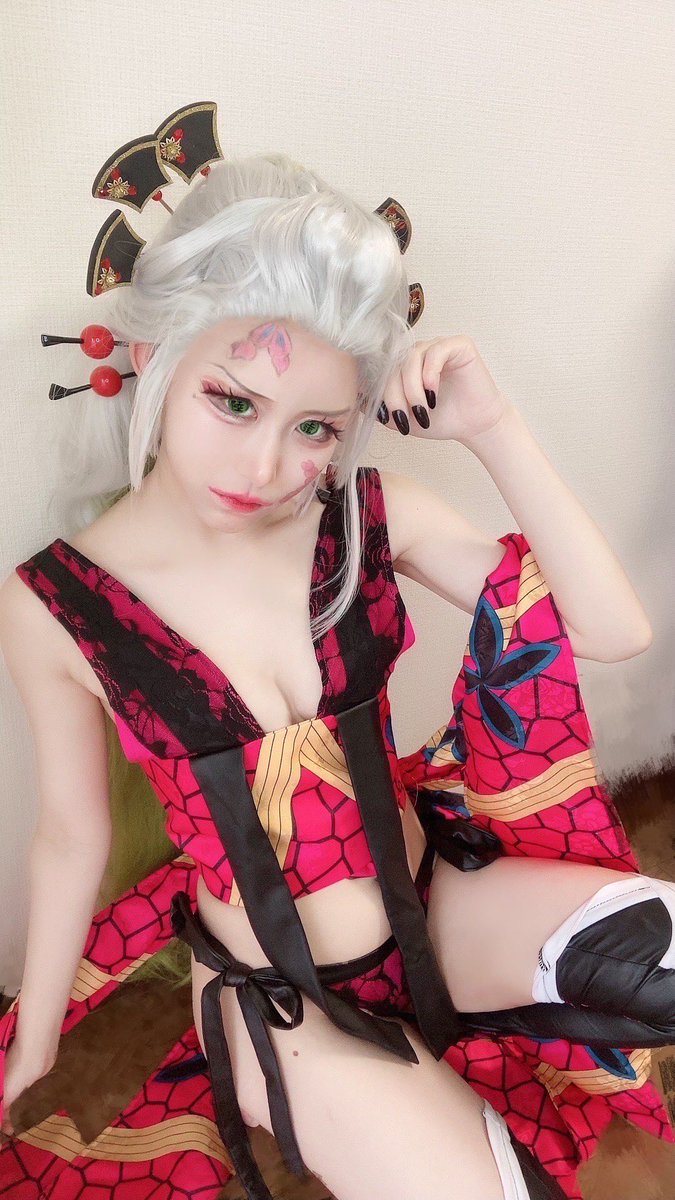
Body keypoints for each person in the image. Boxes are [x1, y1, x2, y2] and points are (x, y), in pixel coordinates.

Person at [0, 152, 673, 1200]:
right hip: (282, 1002)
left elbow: (612, 629)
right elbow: (69, 835)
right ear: (150, 353)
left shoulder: (363, 518)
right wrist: (35, 1035)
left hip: (441, 905)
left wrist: (492, 428)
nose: (265, 468)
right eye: (232, 401)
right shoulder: (56, 602)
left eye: (313, 427)